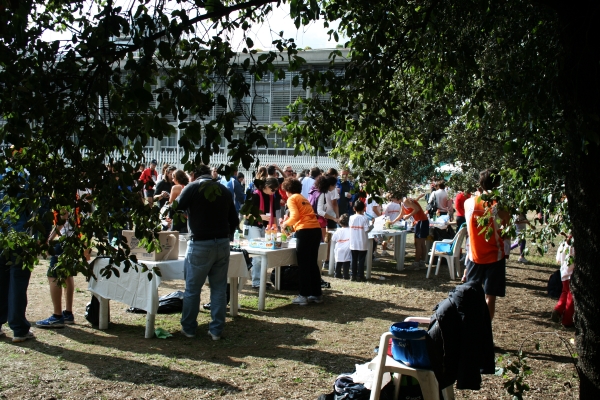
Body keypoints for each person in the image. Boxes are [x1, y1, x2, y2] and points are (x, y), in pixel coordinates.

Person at [175, 164, 239, 340]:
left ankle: (188, 328)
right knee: (218, 288)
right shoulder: (224, 190)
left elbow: (176, 206)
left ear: (193, 174)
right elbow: (234, 219)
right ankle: (216, 330)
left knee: (193, 289)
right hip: (222, 242)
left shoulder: (193, 187)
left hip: (200, 243)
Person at [464, 168, 510, 321]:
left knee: (472, 296)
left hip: (474, 256)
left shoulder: (469, 203)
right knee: (490, 297)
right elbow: (506, 232)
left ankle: (472, 331)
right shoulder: (500, 205)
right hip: (494, 257)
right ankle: (485, 333)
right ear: (497, 183)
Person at [0, 169, 35, 343]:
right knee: (18, 282)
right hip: (20, 237)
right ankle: (19, 328)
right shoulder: (28, 176)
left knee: (1, 280)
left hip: (2, 235)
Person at [280, 177, 323, 305]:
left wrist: (284, 224)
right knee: (312, 263)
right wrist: (292, 227)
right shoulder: (303, 198)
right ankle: (316, 294)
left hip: (305, 231)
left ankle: (303, 295)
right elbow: (302, 217)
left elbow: (295, 216)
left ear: (288, 190)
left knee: (303, 264)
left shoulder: (292, 199)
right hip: (315, 230)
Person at [36, 209, 78, 328]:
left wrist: (49, 239)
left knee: (53, 276)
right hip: (74, 239)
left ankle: (57, 316)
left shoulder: (66, 194)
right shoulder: (84, 192)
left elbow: (63, 218)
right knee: (67, 275)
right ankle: (68, 313)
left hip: (63, 239)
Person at [245, 177, 280, 288]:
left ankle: (261, 280)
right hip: (253, 226)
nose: (273, 192)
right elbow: (247, 214)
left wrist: (275, 228)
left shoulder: (271, 197)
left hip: (265, 227)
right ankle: (256, 282)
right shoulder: (255, 195)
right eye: (273, 189)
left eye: (275, 190)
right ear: (266, 186)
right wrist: (261, 217)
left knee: (264, 254)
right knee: (257, 255)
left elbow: (273, 215)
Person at [393, 196, 429, 269]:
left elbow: (417, 209)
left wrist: (408, 216)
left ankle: (417, 263)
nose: (392, 201)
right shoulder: (403, 203)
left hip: (421, 221)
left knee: (419, 243)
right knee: (420, 243)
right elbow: (401, 214)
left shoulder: (406, 200)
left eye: (392, 199)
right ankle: (421, 262)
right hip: (419, 222)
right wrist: (393, 222)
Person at [552, 235, 575, 327]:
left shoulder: (563, 244)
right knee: (571, 297)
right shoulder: (576, 246)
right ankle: (567, 320)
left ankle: (558, 309)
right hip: (572, 273)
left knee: (565, 292)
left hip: (564, 273)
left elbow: (558, 260)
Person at [308, 175, 339, 241]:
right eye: (334, 186)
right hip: (318, 222)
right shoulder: (321, 194)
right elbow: (320, 211)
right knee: (322, 243)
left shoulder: (314, 190)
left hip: (311, 220)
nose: (334, 188)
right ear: (329, 185)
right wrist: (333, 218)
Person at [349, 200, 373, 281]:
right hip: (362, 242)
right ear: (363, 208)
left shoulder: (351, 218)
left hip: (353, 242)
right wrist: (372, 225)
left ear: (354, 208)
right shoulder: (364, 218)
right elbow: (367, 230)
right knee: (361, 260)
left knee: (354, 259)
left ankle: (353, 275)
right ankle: (360, 276)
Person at [331, 214, 351, 279]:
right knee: (346, 262)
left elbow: (333, 238)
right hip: (347, 247)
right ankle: (345, 274)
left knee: (338, 261)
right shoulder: (350, 230)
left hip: (339, 247)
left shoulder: (338, 230)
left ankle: (337, 273)